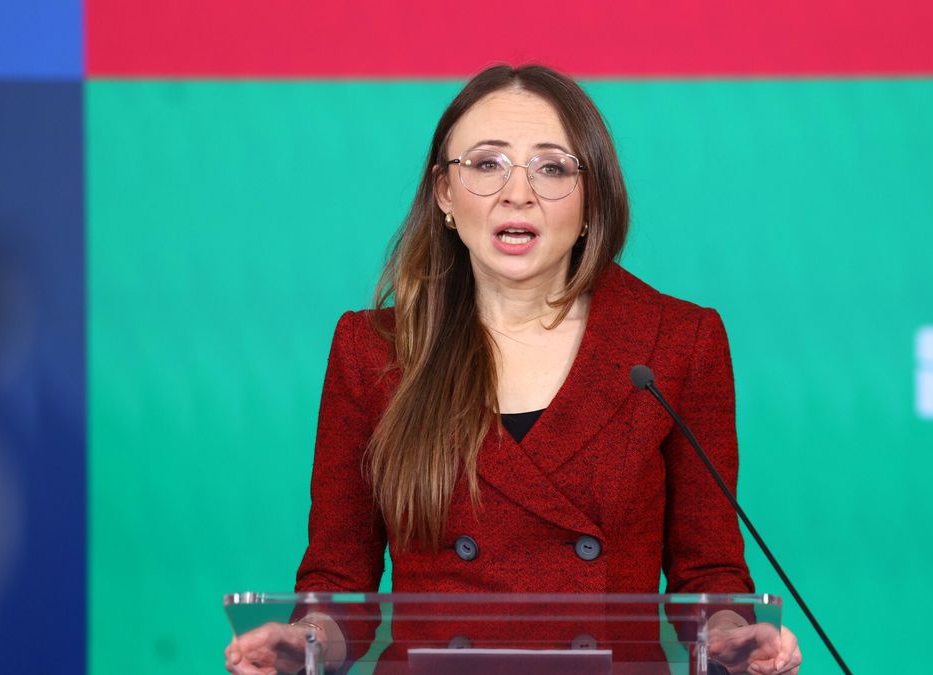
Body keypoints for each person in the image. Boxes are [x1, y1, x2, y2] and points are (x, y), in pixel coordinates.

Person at [225, 64, 801, 675]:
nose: (517, 192)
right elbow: (339, 586)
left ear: (592, 197)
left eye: (552, 167)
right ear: (445, 193)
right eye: (486, 164)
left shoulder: (678, 342)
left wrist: (736, 639)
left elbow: (709, 575)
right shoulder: (373, 351)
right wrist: (304, 644)